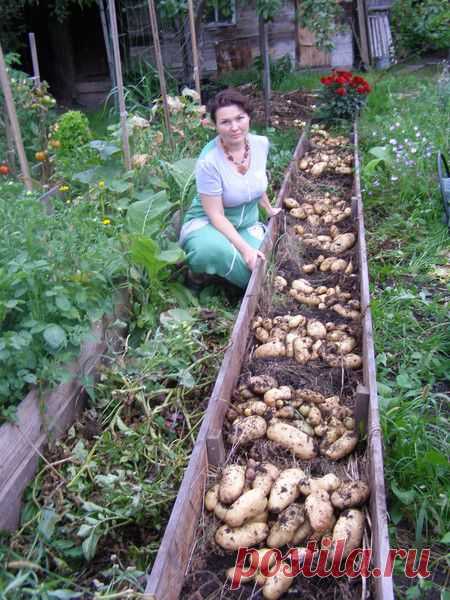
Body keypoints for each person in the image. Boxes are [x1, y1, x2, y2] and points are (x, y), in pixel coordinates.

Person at [179, 89, 281, 289]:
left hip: (246, 225)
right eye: (225, 122)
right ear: (215, 125)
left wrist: (269, 210)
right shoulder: (209, 161)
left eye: (239, 118)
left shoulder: (260, 144)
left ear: (248, 117)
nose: (234, 127)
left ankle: (229, 278)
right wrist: (245, 250)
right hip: (208, 225)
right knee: (210, 250)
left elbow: (257, 182)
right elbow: (215, 215)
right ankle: (198, 276)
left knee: (262, 261)